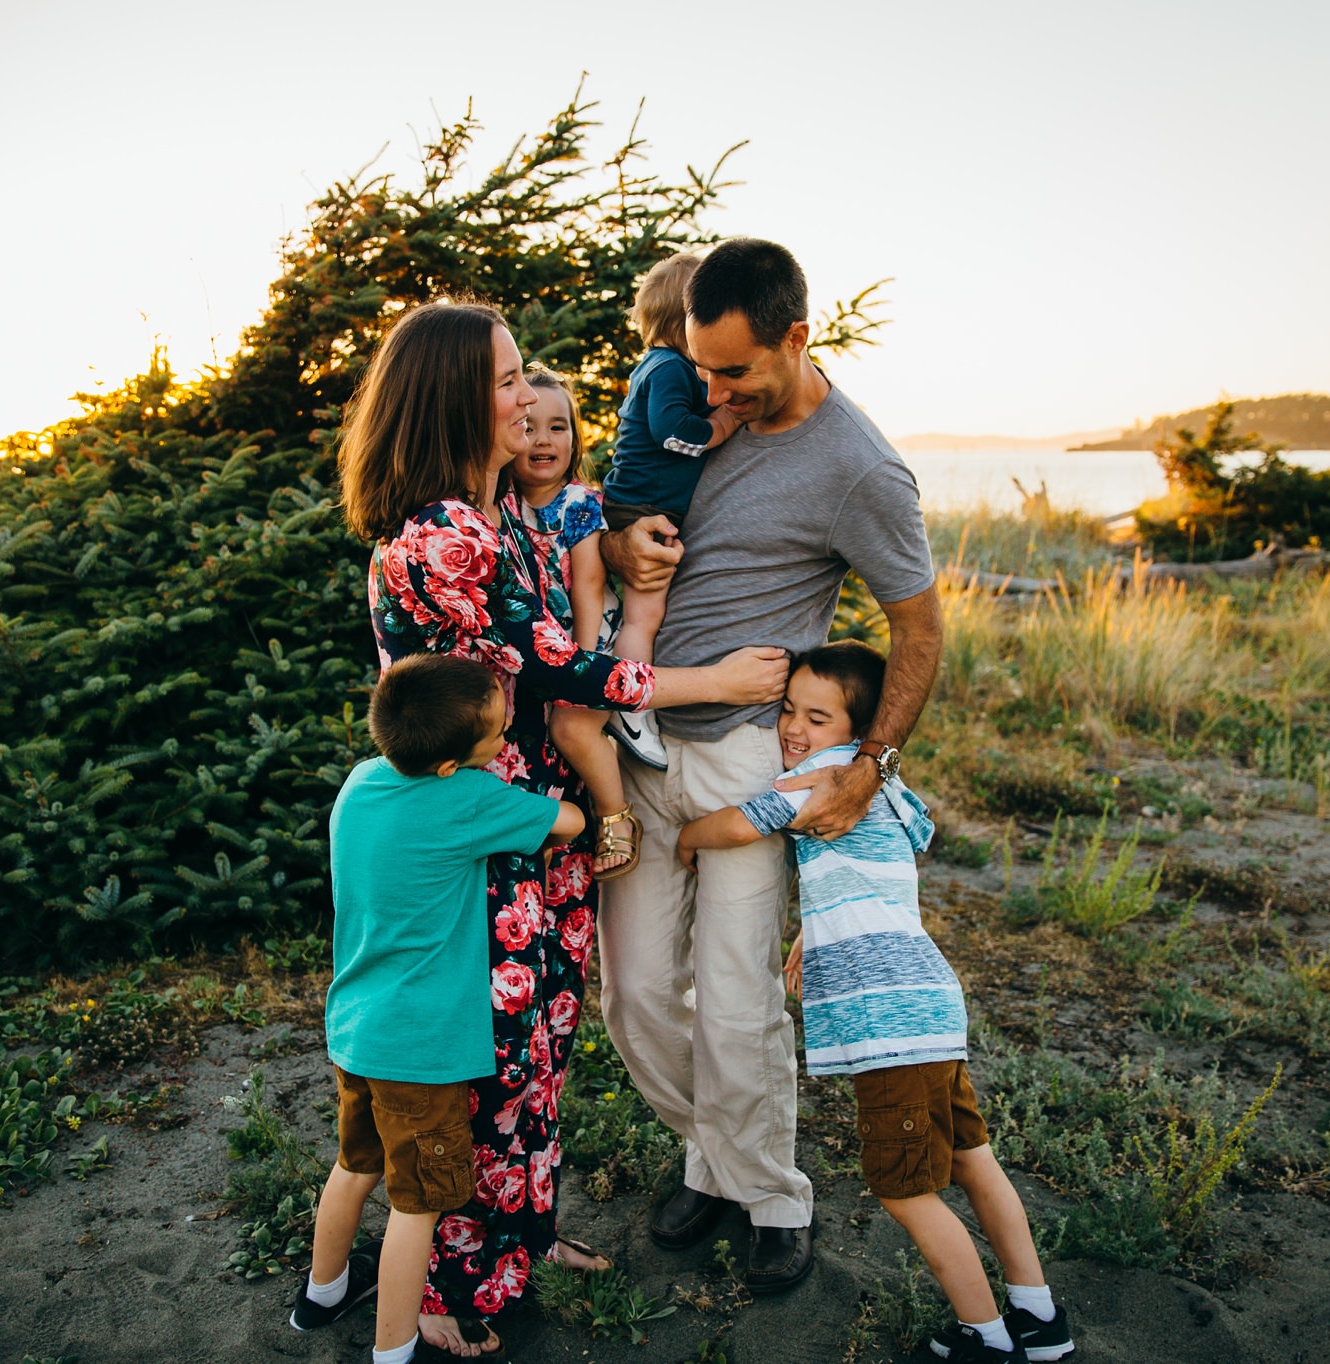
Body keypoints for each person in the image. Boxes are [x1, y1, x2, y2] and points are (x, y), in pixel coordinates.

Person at [337, 298, 789, 1356]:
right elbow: (556, 665)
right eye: (501, 380)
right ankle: (450, 1285)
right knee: (490, 1060)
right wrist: (705, 681)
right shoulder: (441, 534)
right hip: (485, 834)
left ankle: (521, 1240)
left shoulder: (498, 513)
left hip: (545, 815)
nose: (520, 395)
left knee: (540, 1042)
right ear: (453, 396)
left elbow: (566, 632)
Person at [596, 237, 944, 1293]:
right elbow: (617, 518)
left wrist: (868, 762)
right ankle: (715, 1150)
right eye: (699, 366)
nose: (713, 392)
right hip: (636, 735)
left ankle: (767, 1191)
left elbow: (918, 629)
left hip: (753, 752)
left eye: (735, 371)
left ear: (797, 337)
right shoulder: (688, 406)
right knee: (638, 993)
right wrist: (619, 549)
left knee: (741, 995)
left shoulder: (859, 468)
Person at [676, 643, 1072, 1364]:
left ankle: (983, 1338)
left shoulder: (819, 779)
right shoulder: (887, 787)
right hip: (928, 1002)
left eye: (816, 716)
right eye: (788, 709)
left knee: (905, 1191)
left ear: (859, 733)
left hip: (885, 1023)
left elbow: (738, 824)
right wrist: (812, 937)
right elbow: (869, 878)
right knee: (973, 1159)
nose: (794, 727)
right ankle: (1038, 1316)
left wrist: (685, 837)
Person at [296, 652, 585, 1364]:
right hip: (422, 1049)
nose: (504, 734)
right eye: (494, 733)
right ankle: (394, 1351)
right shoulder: (467, 799)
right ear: (456, 764)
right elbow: (570, 820)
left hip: (358, 1029)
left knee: (355, 1165)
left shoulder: (361, 783)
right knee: (418, 1203)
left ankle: (322, 1295)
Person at [599, 253, 743, 763]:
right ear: (687, 322)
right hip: (642, 509)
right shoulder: (667, 369)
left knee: (645, 612)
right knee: (645, 615)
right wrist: (719, 427)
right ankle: (630, 708)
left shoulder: (665, 366)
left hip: (643, 505)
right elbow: (671, 431)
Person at [510, 368, 637, 879]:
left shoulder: (578, 503)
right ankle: (550, 835)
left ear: (575, 438)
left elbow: (587, 585)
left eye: (557, 427)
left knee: (570, 726)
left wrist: (582, 666)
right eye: (529, 427)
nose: (543, 440)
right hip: (537, 649)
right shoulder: (501, 505)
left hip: (586, 640)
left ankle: (616, 816)